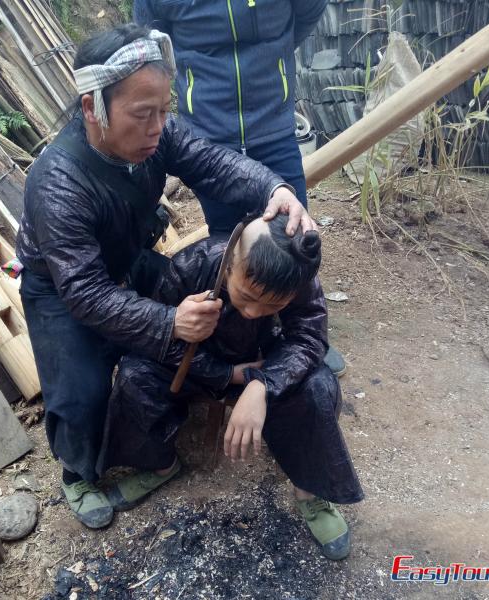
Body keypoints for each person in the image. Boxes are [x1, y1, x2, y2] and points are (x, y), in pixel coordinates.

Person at [16, 24, 314, 529]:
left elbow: (213, 163)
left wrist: (274, 189)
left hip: (128, 259)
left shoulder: (160, 133)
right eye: (141, 114)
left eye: (163, 110)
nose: (157, 128)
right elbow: (85, 291)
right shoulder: (57, 184)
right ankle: (78, 472)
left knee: (205, 314)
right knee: (81, 392)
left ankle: (246, 376)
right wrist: (168, 321)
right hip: (62, 286)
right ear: (92, 107)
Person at [99, 214, 364, 560]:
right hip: (197, 366)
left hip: (266, 366)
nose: (254, 312)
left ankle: (310, 491)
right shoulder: (193, 264)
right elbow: (161, 337)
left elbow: (308, 339)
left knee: (318, 386)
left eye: (273, 305)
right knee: (135, 375)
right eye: (246, 296)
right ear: (229, 265)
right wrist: (226, 374)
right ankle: (159, 464)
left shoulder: (298, 277)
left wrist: (262, 384)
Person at [133, 0, 349, 376]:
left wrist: (272, 57)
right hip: (208, 131)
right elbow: (153, 39)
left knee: (293, 234)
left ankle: (303, 334)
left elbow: (308, 14)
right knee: (228, 242)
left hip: (274, 126)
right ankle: (236, 336)